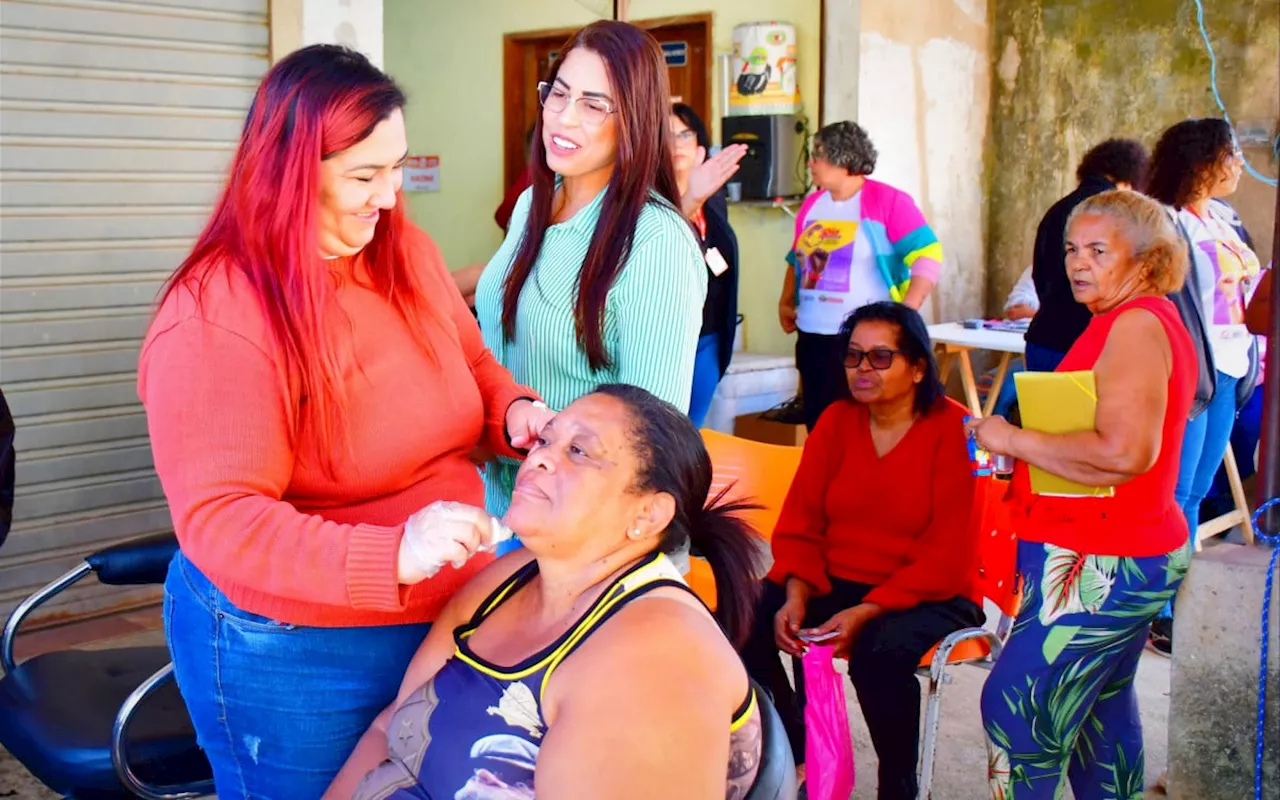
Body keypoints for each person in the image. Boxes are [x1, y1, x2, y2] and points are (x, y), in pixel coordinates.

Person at [137, 45, 553, 797]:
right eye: (365, 176)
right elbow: (224, 520)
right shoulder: (216, 314)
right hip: (298, 652)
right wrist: (393, 553)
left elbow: (476, 368)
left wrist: (513, 412)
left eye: (395, 169)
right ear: (287, 174)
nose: (389, 197)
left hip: (444, 616)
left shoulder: (406, 255)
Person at [326, 385, 768, 799]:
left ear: (649, 514)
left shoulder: (659, 654)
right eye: (544, 442)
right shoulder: (511, 577)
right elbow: (388, 729)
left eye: (578, 451)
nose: (537, 460)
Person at [967, 190, 1196, 799]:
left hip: (1105, 554)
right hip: (1103, 546)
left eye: (1099, 250)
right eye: (1072, 249)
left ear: (1146, 260)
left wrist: (1011, 438)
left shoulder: (1138, 323)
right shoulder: (1123, 319)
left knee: (1017, 709)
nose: (1078, 262)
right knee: (1099, 715)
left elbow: (1124, 453)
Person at [475, 21, 743, 527]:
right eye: (558, 93)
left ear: (635, 120)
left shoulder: (656, 240)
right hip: (501, 506)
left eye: (594, 105)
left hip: (583, 528)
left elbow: (648, 437)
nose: (563, 117)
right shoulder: (535, 201)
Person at [740, 302, 982, 800]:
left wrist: (868, 610)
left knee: (878, 653)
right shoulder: (835, 421)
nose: (863, 369)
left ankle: (898, 786)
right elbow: (803, 522)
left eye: (879, 357)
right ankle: (800, 754)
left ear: (918, 367)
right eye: (853, 357)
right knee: (743, 615)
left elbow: (948, 551)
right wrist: (796, 593)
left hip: (928, 592)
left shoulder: (951, 430)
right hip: (837, 578)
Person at [776, 122, 944, 431]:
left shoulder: (888, 201)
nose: (810, 163)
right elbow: (796, 258)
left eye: (818, 155)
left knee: (865, 425)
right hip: (813, 335)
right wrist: (786, 300)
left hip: (865, 342)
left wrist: (906, 311)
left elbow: (927, 254)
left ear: (843, 158)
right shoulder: (813, 205)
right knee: (821, 426)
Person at [1024, 138, 1150, 372]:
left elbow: (1040, 274)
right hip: (1087, 341)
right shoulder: (1114, 213)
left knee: (1044, 410)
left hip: (1045, 336)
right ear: (1130, 176)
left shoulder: (1057, 209)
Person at [670, 102, 743, 428]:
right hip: (668, 337)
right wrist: (690, 201)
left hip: (710, 333)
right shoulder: (641, 195)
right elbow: (652, 249)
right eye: (667, 135)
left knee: (690, 431)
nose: (676, 143)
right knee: (662, 435)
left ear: (699, 144)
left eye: (684, 134)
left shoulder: (713, 196)